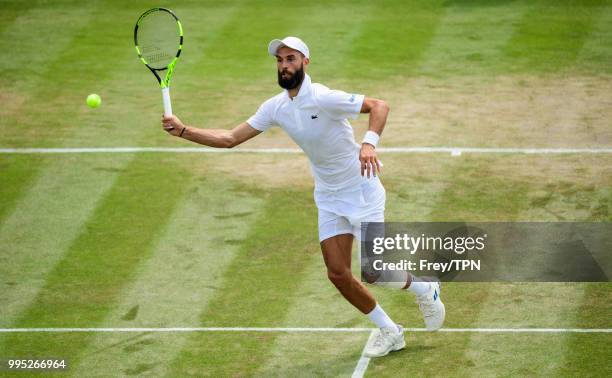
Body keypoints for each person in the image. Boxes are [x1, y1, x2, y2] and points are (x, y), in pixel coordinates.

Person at [161, 36, 445, 358]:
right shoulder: (276, 107)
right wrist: (184, 131)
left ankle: (426, 287)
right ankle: (390, 331)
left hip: (362, 190)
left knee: (376, 272)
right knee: (338, 274)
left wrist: (369, 143)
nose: (284, 65)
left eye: (291, 58)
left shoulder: (323, 97)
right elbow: (229, 139)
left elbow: (379, 106)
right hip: (328, 196)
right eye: (280, 60)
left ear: (305, 62)